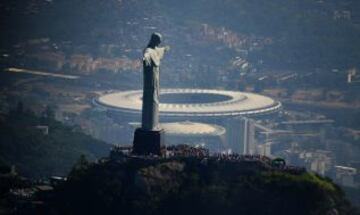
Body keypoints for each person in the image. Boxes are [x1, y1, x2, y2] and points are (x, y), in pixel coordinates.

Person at [141, 33, 170, 131]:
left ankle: (154, 124)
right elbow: (147, 54)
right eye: (158, 41)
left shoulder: (155, 49)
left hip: (156, 78)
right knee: (150, 99)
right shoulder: (149, 50)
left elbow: (159, 50)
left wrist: (165, 49)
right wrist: (146, 57)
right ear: (154, 40)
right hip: (150, 80)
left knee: (155, 98)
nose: (158, 44)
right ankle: (149, 125)